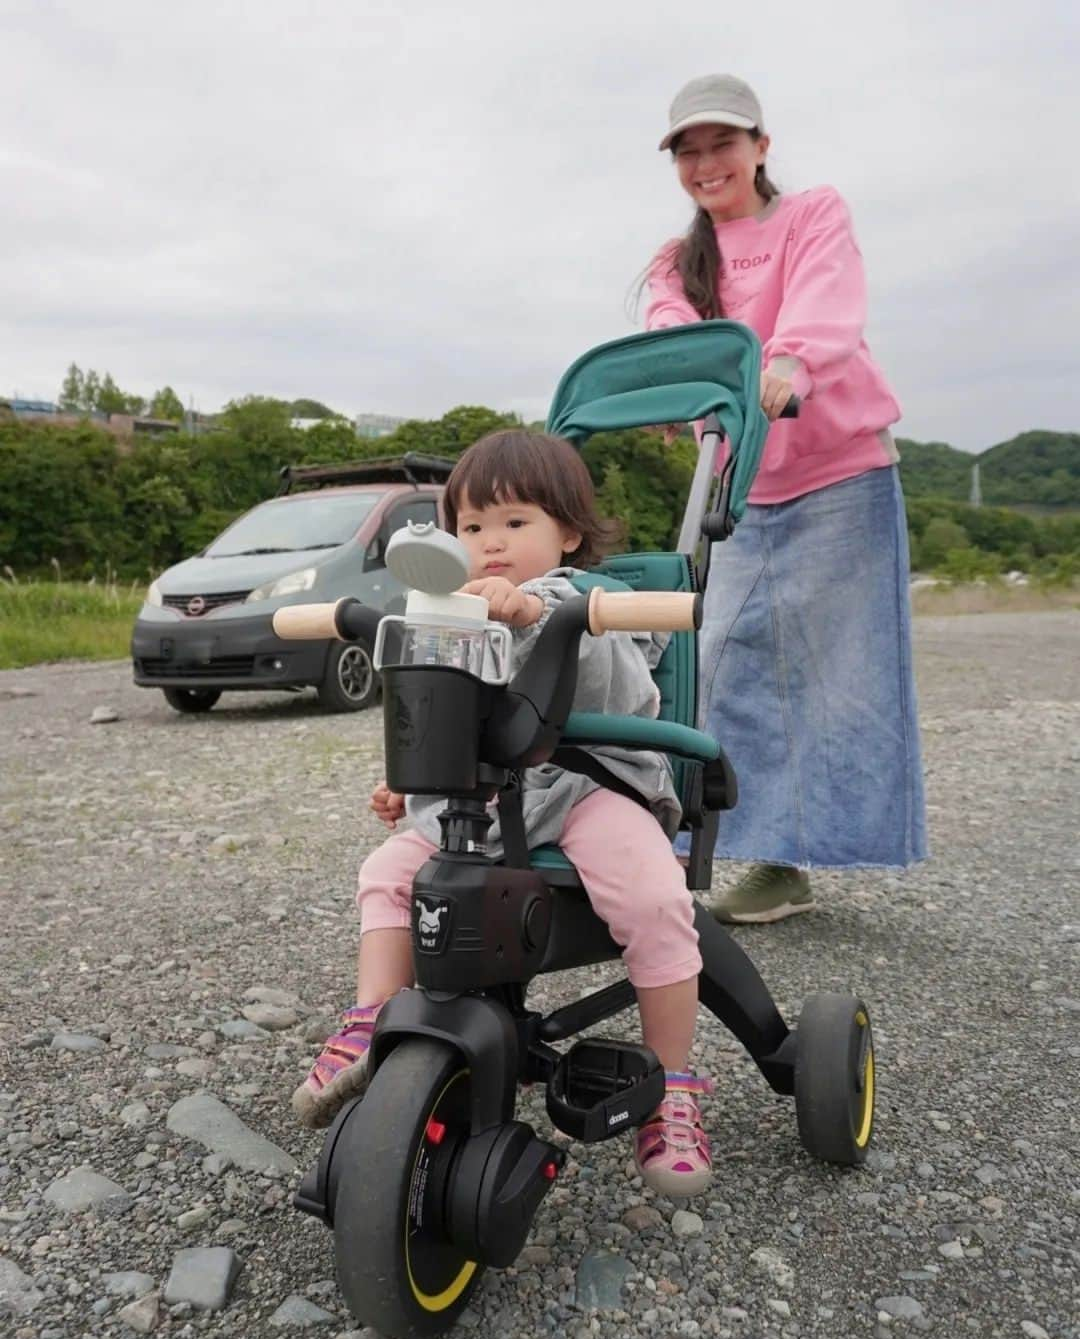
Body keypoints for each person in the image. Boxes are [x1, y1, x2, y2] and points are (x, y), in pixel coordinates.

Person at [292, 429, 713, 1197]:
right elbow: (447, 723)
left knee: (657, 901)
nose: (490, 545)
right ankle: (368, 1018)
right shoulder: (449, 617)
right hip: (487, 801)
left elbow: (574, 633)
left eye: (514, 524)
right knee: (387, 870)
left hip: (591, 788)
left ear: (568, 533)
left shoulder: (600, 604)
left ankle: (673, 1088)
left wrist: (529, 608)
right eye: (471, 528)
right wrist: (413, 787)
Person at [646, 74, 927, 922]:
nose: (706, 163)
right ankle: (691, 844)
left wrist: (789, 362)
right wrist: (689, 389)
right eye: (688, 151)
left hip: (840, 473)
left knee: (837, 675)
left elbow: (824, 299)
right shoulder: (675, 259)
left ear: (760, 146)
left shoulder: (812, 214)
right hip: (740, 483)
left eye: (722, 144)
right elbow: (671, 332)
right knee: (718, 661)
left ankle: (784, 861)